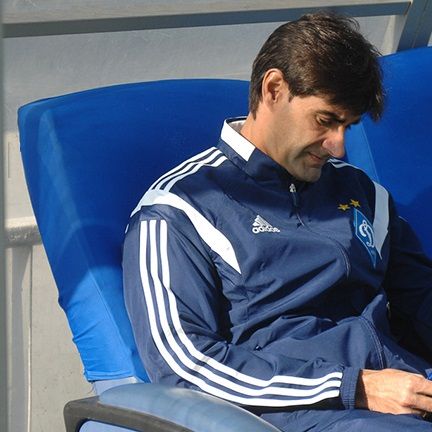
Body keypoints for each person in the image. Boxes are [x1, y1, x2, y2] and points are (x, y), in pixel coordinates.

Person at [123, 12, 432, 431]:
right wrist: (350, 387)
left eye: (348, 126)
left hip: (403, 391)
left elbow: (420, 300)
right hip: (304, 415)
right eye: (326, 120)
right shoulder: (179, 211)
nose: (338, 147)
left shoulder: (362, 192)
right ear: (273, 89)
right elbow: (184, 366)